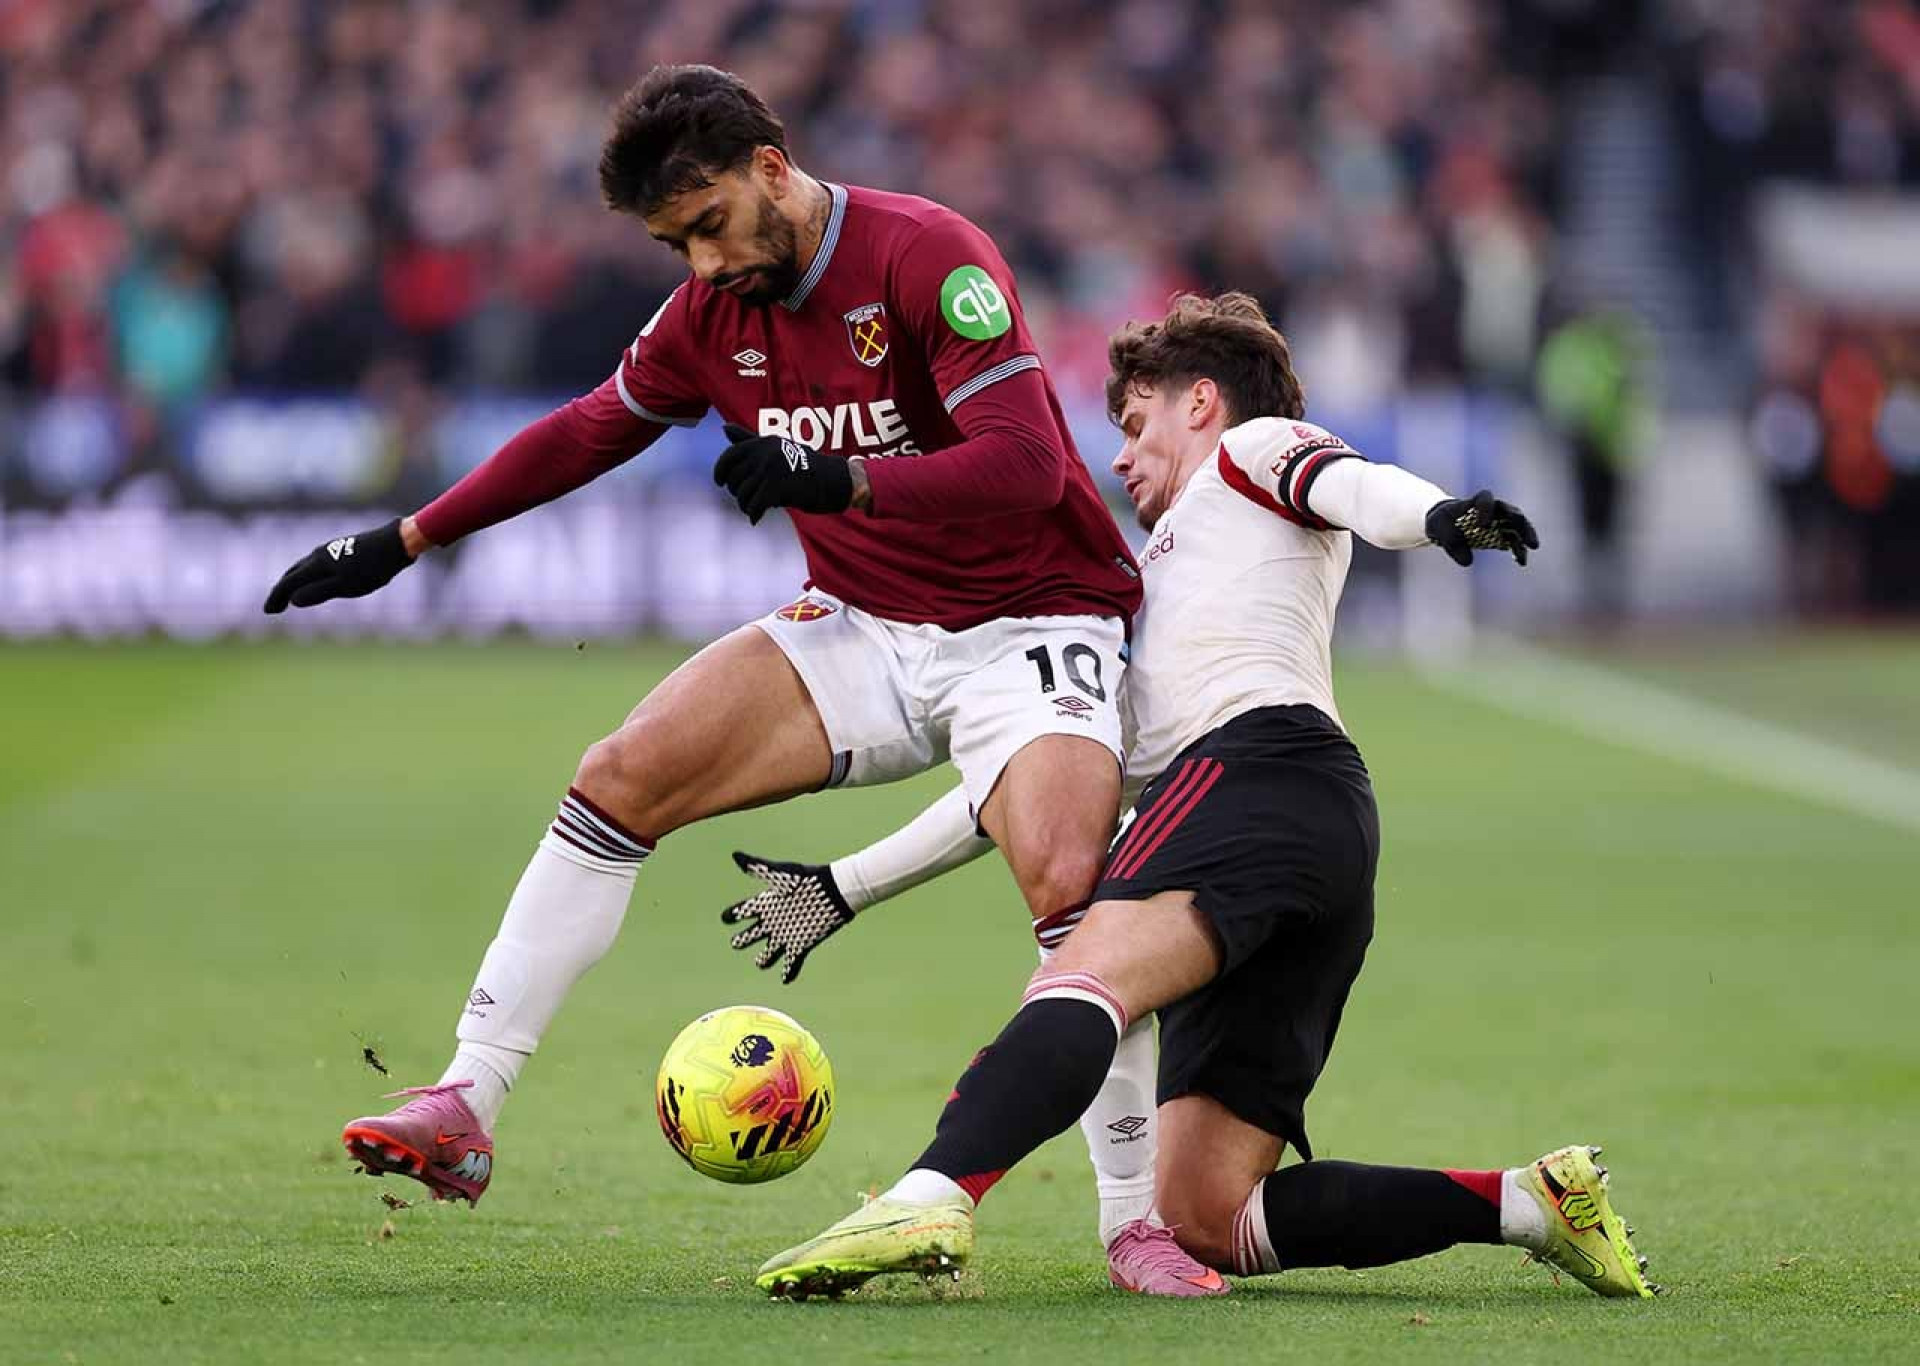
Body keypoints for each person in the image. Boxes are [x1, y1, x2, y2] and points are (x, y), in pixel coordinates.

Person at [260, 65, 1146, 1213]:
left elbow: (1027, 463)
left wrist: (844, 479)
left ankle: (1138, 1219)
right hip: (866, 628)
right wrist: (412, 533)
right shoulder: (707, 315)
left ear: (771, 170)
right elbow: (590, 429)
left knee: (1068, 879)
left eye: (712, 227)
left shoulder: (927, 256)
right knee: (618, 776)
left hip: (1035, 618)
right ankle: (465, 1101)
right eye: (677, 245)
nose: (706, 265)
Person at [748, 293, 1658, 1303]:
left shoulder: (1249, 452)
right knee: (1209, 1213)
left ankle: (933, 1191)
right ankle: (1532, 1204)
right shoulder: (1160, 588)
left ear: (1202, 403)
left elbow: (1351, 484)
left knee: (1077, 973)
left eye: (1134, 426)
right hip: (1313, 833)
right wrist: (845, 883)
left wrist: (1438, 515)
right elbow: (1039, 793)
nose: (1123, 458)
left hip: (1255, 772)